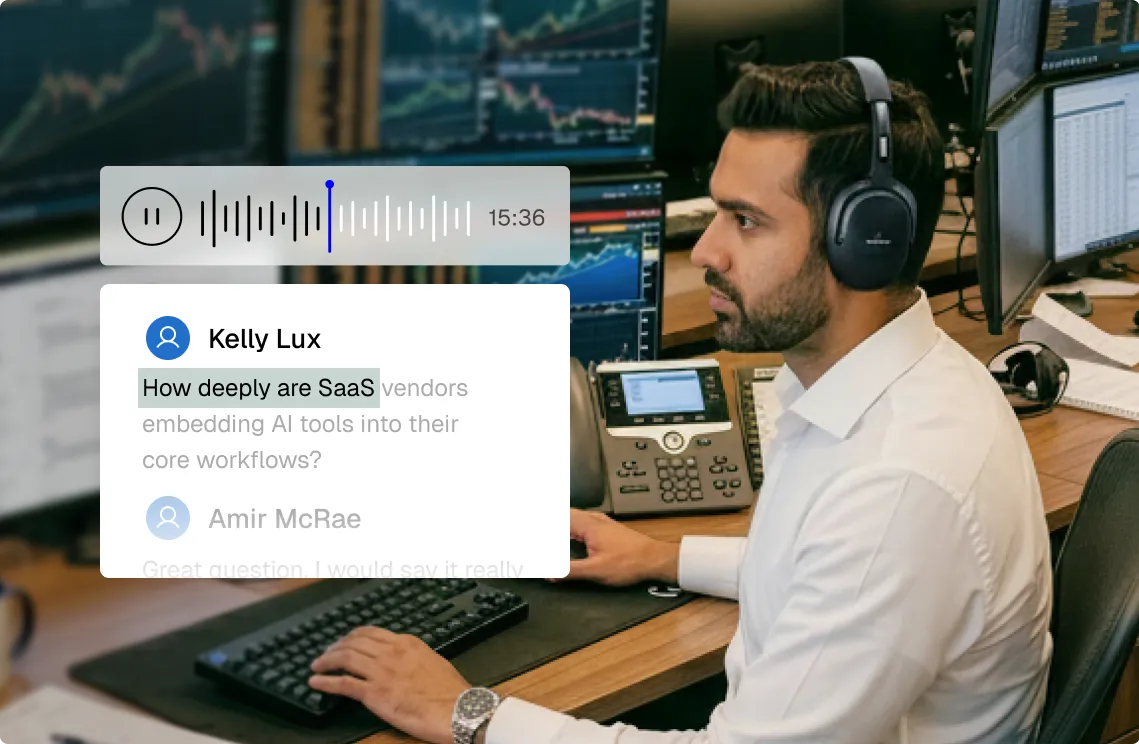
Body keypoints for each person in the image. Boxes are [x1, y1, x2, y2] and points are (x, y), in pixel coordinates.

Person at [305, 59, 1054, 744]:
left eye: (746, 220)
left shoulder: (898, 483)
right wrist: (664, 556)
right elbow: (825, 573)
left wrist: (468, 713)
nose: (703, 253)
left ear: (862, 240)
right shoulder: (898, 379)